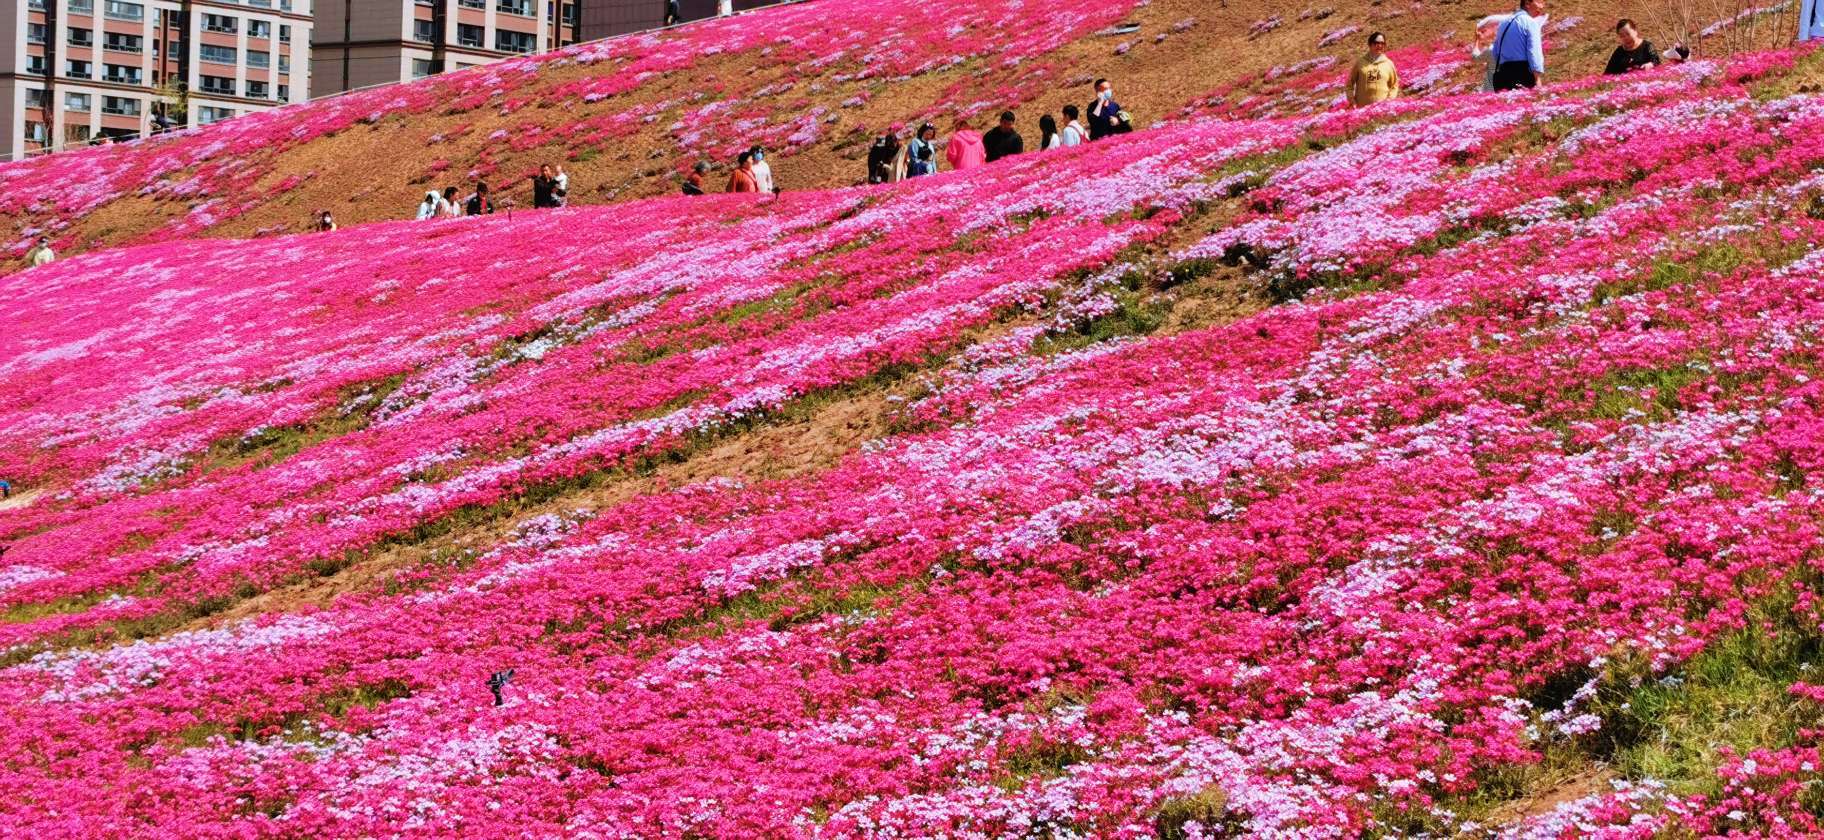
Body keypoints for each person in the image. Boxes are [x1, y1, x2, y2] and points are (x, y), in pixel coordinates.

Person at [1490, 0, 1547, 91]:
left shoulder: (1504, 23)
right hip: (1522, 73)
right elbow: (1533, 51)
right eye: (1539, 2)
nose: (1542, 6)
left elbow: (1495, 52)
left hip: (1503, 74)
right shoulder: (1530, 23)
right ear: (1527, 4)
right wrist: (1537, 78)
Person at [1347, 32, 1401, 108]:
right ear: (1369, 44)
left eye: (1382, 43)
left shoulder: (1388, 63)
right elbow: (1349, 84)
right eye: (1376, 43)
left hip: (1382, 110)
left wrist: (1389, 100)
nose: (1379, 46)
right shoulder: (1360, 63)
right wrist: (1351, 100)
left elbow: (1394, 85)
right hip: (1361, 109)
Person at [1471, 15, 1507, 92]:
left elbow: (1475, 58)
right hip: (1506, 87)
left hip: (1491, 88)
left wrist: (1478, 41)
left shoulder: (1492, 50)